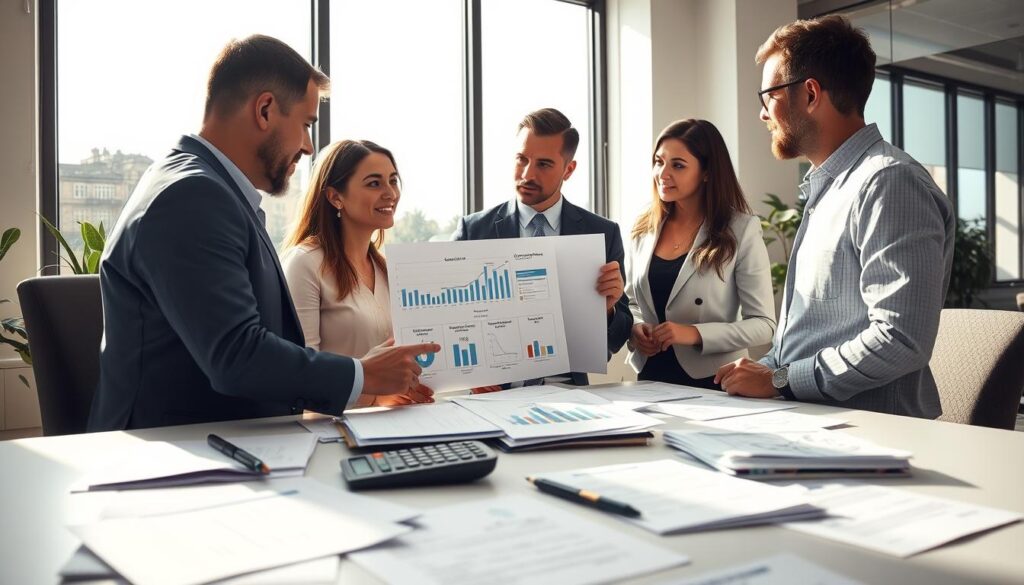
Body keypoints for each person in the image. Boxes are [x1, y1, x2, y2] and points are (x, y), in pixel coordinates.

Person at [89, 35, 437, 431]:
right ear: (265, 110)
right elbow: (236, 356)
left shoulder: (205, 187)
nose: (308, 147)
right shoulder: (193, 195)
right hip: (178, 450)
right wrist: (364, 375)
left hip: (229, 439)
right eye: (306, 125)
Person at [715, 16, 954, 418]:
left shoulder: (888, 183)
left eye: (768, 96)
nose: (762, 114)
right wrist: (764, 371)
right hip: (810, 421)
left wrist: (779, 380)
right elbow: (809, 339)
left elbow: (900, 339)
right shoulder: (828, 191)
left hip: (870, 433)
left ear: (810, 94)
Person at [453, 107, 631, 387]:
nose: (527, 174)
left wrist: (607, 311)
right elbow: (453, 320)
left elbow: (617, 340)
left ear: (568, 170)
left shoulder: (603, 233)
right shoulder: (473, 231)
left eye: (544, 164)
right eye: (521, 159)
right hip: (493, 395)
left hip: (571, 395)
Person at [625, 119, 775, 390]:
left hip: (716, 380)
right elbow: (632, 302)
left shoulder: (741, 230)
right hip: (650, 376)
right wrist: (636, 329)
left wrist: (694, 333)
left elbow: (764, 325)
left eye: (678, 165)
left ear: (707, 172)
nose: (662, 173)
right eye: (659, 162)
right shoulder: (644, 227)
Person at [282, 139, 434, 407]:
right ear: (335, 197)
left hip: (393, 422)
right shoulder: (305, 264)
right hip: (333, 427)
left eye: (393, 181)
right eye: (374, 183)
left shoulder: (387, 269)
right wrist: (376, 398)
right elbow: (300, 379)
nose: (390, 193)